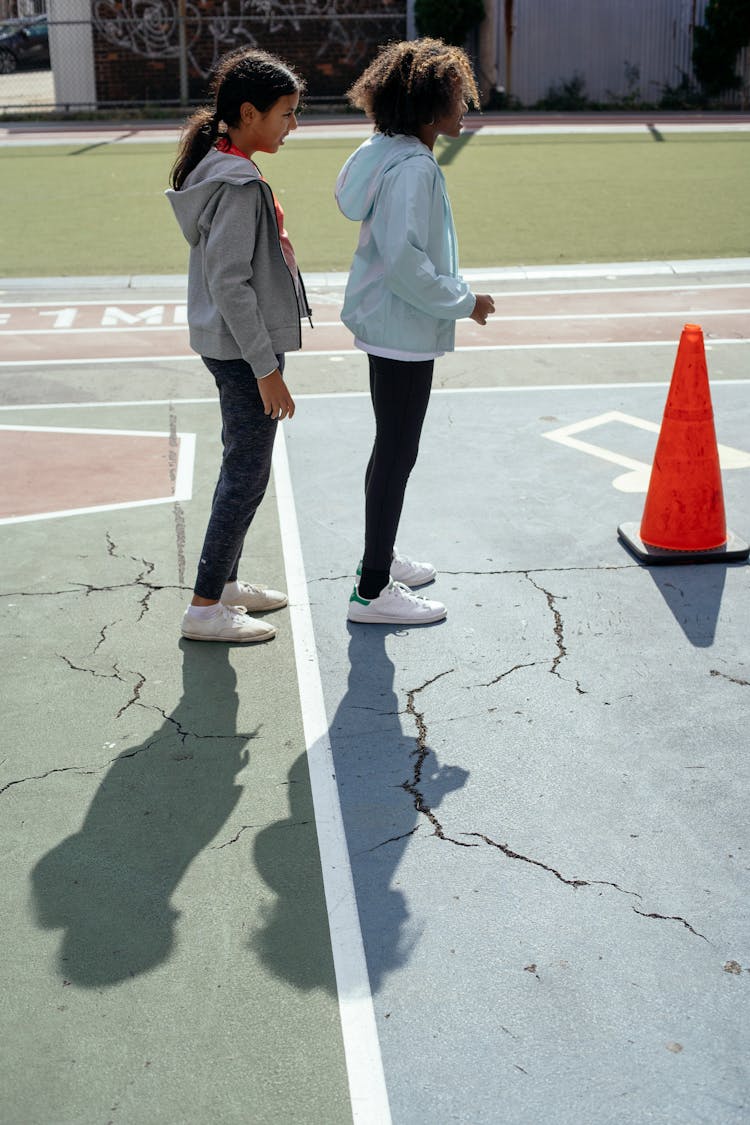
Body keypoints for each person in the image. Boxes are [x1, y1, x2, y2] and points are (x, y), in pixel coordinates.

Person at [335, 38, 495, 626]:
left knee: (391, 450)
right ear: (427, 107)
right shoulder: (414, 168)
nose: (464, 106)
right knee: (398, 452)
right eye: (456, 97)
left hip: (391, 325)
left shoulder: (387, 153)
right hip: (401, 327)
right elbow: (407, 263)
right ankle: (373, 590)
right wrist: (465, 301)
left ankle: (378, 559)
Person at [166, 47, 309, 644]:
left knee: (244, 467)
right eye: (286, 113)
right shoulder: (238, 181)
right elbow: (231, 280)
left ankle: (222, 585)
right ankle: (205, 608)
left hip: (230, 345)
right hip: (241, 350)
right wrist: (266, 367)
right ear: (248, 114)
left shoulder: (222, 166)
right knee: (246, 474)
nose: (293, 125)